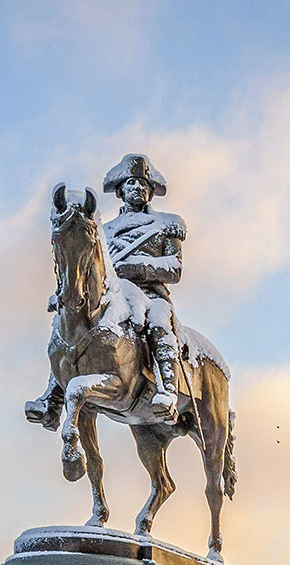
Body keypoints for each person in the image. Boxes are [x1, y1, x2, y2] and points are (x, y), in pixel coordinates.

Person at [101, 152, 188, 419]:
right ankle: (53, 397)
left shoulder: (167, 224)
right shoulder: (105, 231)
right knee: (76, 322)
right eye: (131, 184)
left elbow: (174, 268)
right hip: (118, 296)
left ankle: (167, 389)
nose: (137, 189)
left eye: (143, 185)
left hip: (152, 296)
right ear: (121, 191)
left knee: (160, 320)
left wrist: (136, 268)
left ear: (150, 191)